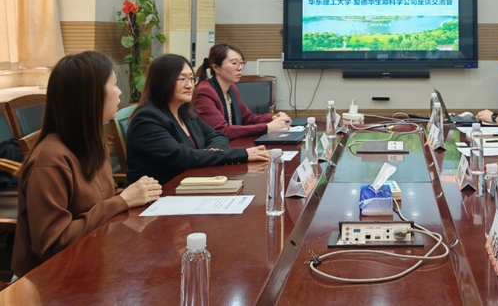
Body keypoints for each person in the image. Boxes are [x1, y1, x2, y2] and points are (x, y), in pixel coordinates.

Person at [12, 51, 162, 277]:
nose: (120, 92)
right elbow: (53, 245)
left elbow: (97, 201)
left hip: (93, 260)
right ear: (91, 96)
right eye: (114, 84)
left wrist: (136, 195)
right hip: (49, 279)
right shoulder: (50, 161)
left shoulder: (92, 143)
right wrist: (121, 201)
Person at [126, 53, 270, 185]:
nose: (189, 85)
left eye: (191, 78)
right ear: (162, 82)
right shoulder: (147, 119)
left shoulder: (186, 111)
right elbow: (181, 158)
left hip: (191, 184)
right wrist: (241, 154)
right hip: (159, 194)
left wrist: (209, 153)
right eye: (182, 79)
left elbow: (217, 136)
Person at [194, 43, 290, 141]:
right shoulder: (205, 92)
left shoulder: (232, 88)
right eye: (234, 63)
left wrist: (274, 118)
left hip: (232, 144)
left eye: (241, 63)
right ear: (216, 68)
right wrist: (267, 127)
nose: (240, 68)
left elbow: (248, 118)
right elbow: (222, 131)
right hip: (214, 147)